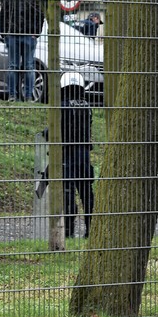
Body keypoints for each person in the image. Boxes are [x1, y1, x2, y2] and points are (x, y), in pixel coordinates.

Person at [57, 72, 95, 238]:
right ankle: (91, 229)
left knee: (68, 192)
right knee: (87, 193)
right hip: (84, 157)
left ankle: (68, 231)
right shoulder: (87, 107)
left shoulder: (62, 107)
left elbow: (56, 130)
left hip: (68, 156)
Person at [0, 0, 43, 102]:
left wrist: (36, 33)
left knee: (27, 66)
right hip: (14, 35)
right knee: (15, 66)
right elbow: (3, 15)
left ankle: (27, 96)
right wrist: (4, 33)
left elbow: (40, 16)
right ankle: (13, 95)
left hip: (27, 35)